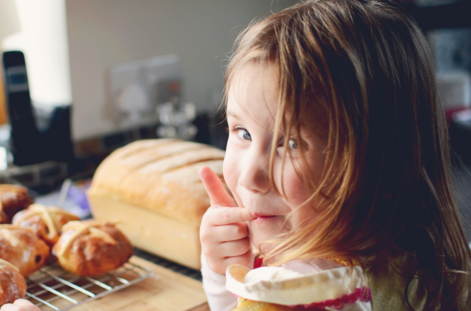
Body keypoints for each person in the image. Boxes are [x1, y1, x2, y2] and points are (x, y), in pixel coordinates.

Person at [198, 0, 471, 310]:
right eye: (243, 133)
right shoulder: (407, 252)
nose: (250, 177)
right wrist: (234, 272)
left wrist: (224, 278)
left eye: (291, 144)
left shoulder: (307, 290)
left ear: (380, 165)